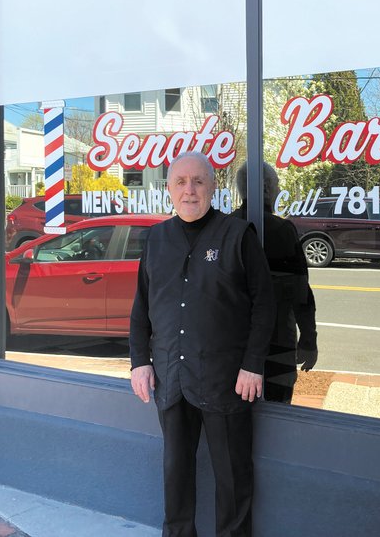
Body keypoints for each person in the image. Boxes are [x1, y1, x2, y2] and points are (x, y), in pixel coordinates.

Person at [129, 152, 276, 537]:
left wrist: (253, 364)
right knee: (175, 470)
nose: (189, 190)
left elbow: (265, 304)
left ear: (213, 187)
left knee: (232, 476)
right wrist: (139, 361)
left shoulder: (238, 235)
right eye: (180, 182)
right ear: (169, 191)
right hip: (171, 377)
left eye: (198, 181)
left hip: (226, 379)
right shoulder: (156, 239)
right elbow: (142, 305)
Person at [234, 162, 318, 403]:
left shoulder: (226, 227)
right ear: (268, 188)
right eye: (278, 184)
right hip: (278, 342)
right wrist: (309, 340)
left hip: (233, 347)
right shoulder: (281, 230)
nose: (279, 189)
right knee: (277, 411)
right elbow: (301, 292)